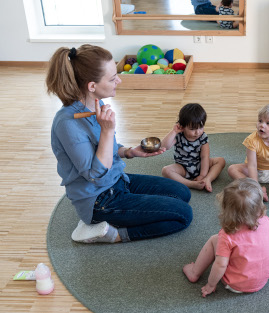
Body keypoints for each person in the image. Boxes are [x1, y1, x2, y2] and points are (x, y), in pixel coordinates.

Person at [46, 44, 193, 243]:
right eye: (113, 78)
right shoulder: (67, 124)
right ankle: (112, 233)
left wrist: (129, 151)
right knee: (183, 215)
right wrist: (107, 130)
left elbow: (104, 148)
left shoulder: (96, 105)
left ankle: (119, 216)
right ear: (92, 86)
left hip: (117, 181)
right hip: (100, 199)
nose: (119, 80)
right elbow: (96, 175)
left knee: (182, 193)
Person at [183, 178, 269, 296]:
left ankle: (194, 272)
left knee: (214, 239)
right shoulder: (267, 221)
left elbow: (221, 264)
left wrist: (210, 285)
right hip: (264, 278)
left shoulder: (226, 235)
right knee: (261, 242)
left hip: (235, 284)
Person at [160, 103, 225, 192]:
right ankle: (190, 184)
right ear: (182, 126)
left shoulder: (203, 137)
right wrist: (174, 131)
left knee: (221, 161)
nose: (197, 132)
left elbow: (205, 157)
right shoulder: (179, 135)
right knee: (165, 170)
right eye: (192, 129)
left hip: (200, 165)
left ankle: (208, 179)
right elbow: (164, 146)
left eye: (201, 127)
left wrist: (203, 175)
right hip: (183, 167)